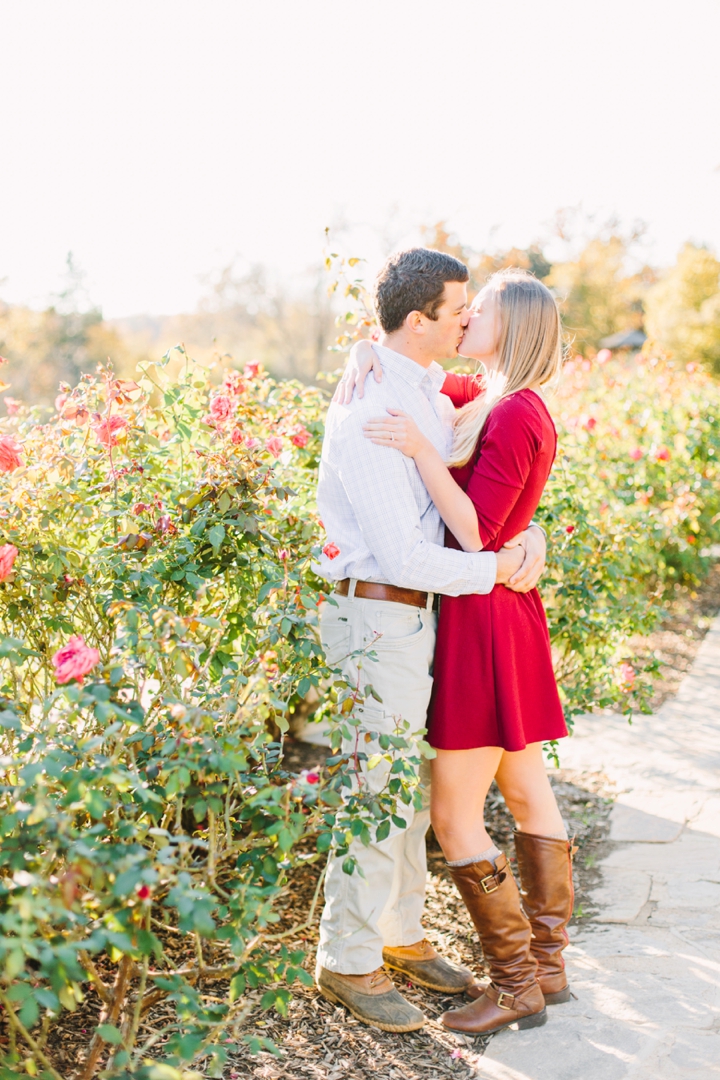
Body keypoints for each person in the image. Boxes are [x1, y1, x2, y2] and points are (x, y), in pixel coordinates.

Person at [314, 248, 548, 1033]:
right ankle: (349, 960)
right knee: (372, 791)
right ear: (421, 321)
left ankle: (401, 935)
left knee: (405, 792)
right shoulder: (374, 406)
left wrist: (526, 540)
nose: (466, 319)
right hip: (380, 612)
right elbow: (411, 552)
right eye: (456, 310)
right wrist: (504, 568)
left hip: (417, 617)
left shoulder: (419, 390)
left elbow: (488, 474)